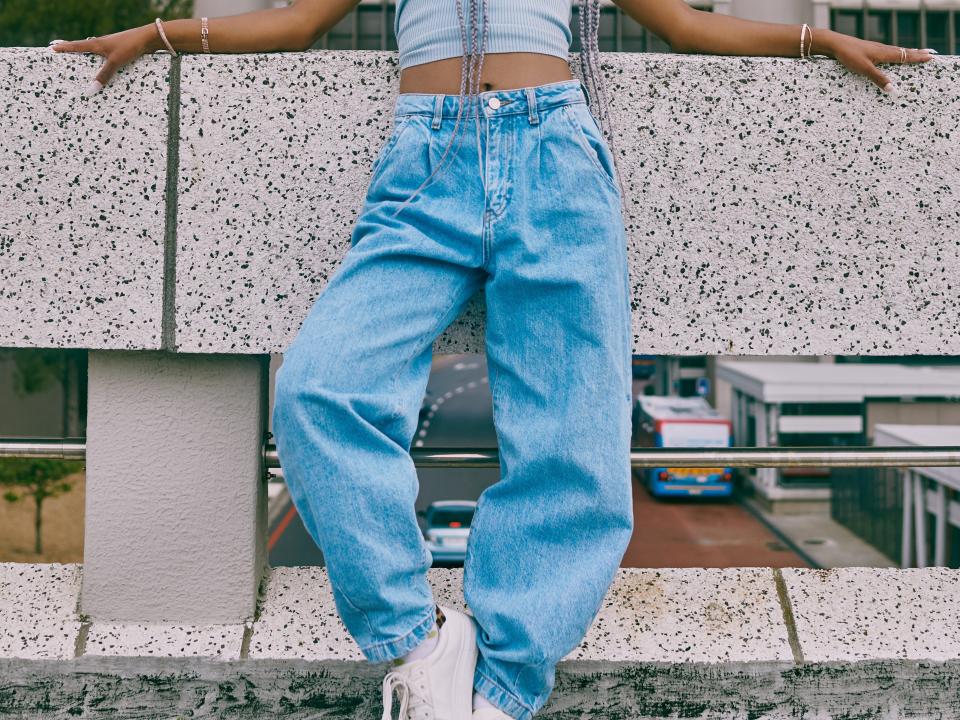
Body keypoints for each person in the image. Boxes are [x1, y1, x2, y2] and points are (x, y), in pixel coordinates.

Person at [51, 2, 935, 718]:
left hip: (557, 159)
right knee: (319, 390)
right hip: (423, 163)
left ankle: (499, 692)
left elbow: (689, 26)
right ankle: (419, 644)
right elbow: (294, 22)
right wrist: (160, 34)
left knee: (572, 441)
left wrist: (817, 37)